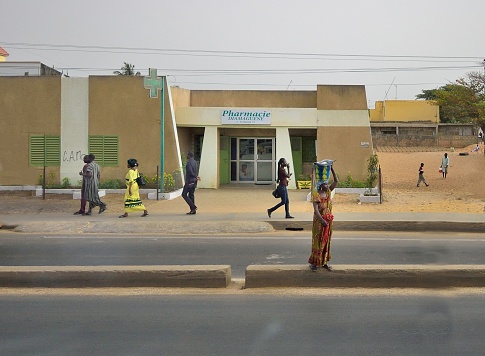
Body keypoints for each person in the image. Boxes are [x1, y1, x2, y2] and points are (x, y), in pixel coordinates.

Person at [308, 166, 338, 271]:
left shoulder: (328, 193)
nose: (327, 185)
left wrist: (332, 169)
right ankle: (314, 263)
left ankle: (324, 262)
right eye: (325, 184)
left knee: (326, 241)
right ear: (321, 186)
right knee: (317, 241)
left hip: (328, 222)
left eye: (327, 183)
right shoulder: (317, 195)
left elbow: (336, 181)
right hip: (319, 223)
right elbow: (316, 211)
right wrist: (322, 221)